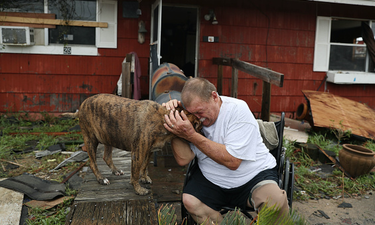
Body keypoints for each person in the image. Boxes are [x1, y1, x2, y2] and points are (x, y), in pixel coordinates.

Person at [163, 77, 289, 223]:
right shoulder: (190, 116)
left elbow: (233, 161)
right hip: (212, 179)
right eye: (193, 114)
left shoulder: (237, 110)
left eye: (200, 111)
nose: (198, 119)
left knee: (276, 202)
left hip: (252, 176)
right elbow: (183, 159)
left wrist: (191, 135)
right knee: (190, 200)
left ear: (214, 97)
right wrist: (173, 122)